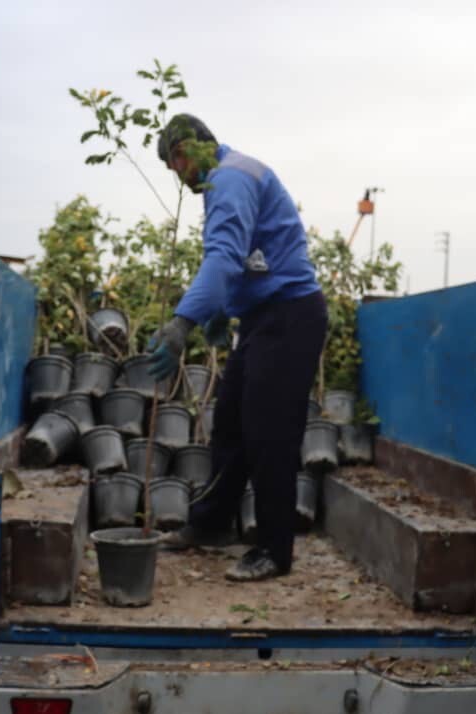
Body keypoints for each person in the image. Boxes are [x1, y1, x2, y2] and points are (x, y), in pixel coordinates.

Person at [147, 114, 327, 582]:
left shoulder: (229, 179)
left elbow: (224, 256)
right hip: (263, 317)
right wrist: (222, 311)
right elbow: (246, 257)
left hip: (291, 316)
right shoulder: (223, 178)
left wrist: (183, 323)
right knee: (230, 422)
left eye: (174, 166)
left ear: (185, 151)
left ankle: (274, 549)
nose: (178, 179)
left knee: (270, 432)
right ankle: (211, 525)